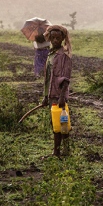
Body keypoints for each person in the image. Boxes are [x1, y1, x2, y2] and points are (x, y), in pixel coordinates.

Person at [41, 25, 73, 157]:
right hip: (51, 94)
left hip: (58, 95)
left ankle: (59, 151)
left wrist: (61, 97)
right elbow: (48, 77)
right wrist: (45, 96)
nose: (55, 40)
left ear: (62, 39)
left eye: (58, 38)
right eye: (52, 37)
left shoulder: (64, 55)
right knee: (57, 123)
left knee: (61, 123)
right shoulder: (50, 54)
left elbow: (66, 78)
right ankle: (61, 151)